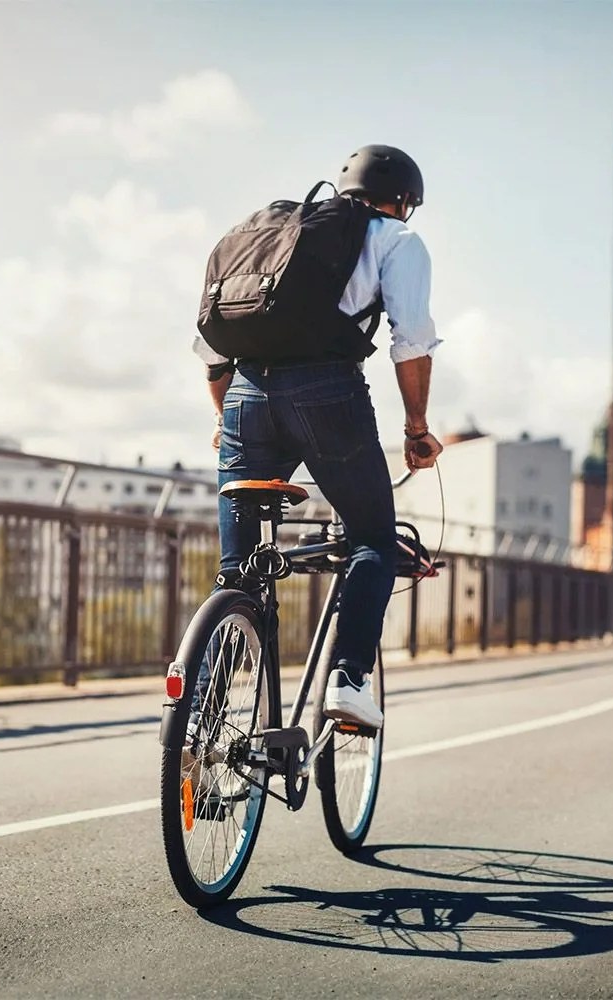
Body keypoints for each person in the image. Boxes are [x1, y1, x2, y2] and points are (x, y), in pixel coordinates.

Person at [192, 144, 442, 729]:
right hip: (328, 397)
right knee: (373, 541)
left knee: (239, 571)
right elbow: (412, 340)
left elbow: (211, 351)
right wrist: (417, 430)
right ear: (404, 201)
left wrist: (224, 418)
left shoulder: (268, 235)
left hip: (245, 398)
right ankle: (349, 680)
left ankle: (200, 720)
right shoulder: (396, 240)